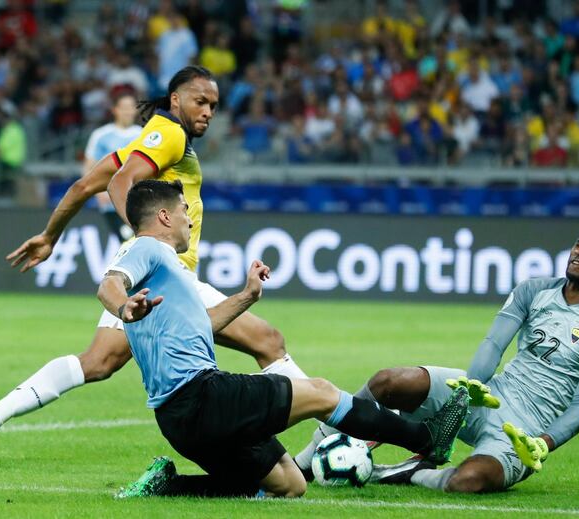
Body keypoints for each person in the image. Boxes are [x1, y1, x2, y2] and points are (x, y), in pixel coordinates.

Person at [0, 66, 308, 465]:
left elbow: (85, 186)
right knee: (268, 342)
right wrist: (148, 240)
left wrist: (51, 236)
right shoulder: (169, 135)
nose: (208, 111)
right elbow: (121, 183)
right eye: (200, 101)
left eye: (213, 105)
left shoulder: (150, 142)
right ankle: (328, 439)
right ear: (176, 100)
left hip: (151, 275)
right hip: (168, 274)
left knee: (99, 362)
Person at [100, 179, 472, 498]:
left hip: (179, 420)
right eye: (184, 209)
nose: (190, 217)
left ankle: (171, 486)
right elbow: (109, 285)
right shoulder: (146, 248)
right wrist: (123, 309)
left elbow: (203, 325)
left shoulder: (169, 271)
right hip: (202, 397)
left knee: (290, 484)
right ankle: (425, 439)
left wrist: (246, 296)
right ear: (164, 216)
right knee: (323, 393)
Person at [295, 222, 579, 493]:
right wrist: (469, 388)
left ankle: (410, 473)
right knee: (389, 381)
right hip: (487, 396)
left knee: (467, 481)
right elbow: (493, 345)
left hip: (524, 433)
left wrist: (542, 443)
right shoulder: (535, 290)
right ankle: (305, 464)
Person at [83, 90, 142, 240]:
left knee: (134, 243)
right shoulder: (101, 135)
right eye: (124, 107)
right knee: (128, 241)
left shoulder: (142, 135)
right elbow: (89, 167)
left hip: (137, 203)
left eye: (131, 107)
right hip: (110, 203)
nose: (128, 111)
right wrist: (98, 192)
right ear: (115, 110)